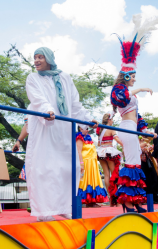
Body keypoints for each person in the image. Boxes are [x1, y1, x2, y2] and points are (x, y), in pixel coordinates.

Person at [25, 47, 98, 222]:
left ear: (49, 58)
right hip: (45, 127)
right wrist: (47, 110)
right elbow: (37, 98)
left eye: (40, 57)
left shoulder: (65, 77)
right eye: (35, 58)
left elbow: (75, 103)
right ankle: (43, 212)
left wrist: (87, 120)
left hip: (64, 129)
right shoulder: (33, 78)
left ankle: (65, 207)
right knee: (43, 168)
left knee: (66, 168)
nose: (36, 61)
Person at [110, 14, 158, 213]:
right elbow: (119, 100)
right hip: (125, 128)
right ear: (126, 76)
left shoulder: (128, 92)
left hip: (132, 127)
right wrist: (137, 90)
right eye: (132, 77)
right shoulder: (119, 90)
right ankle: (129, 203)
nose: (134, 79)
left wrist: (147, 130)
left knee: (134, 162)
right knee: (131, 162)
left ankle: (133, 202)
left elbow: (138, 118)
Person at [96, 112, 123, 207]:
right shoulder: (111, 129)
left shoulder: (100, 130)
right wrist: (125, 145)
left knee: (106, 175)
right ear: (109, 120)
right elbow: (117, 139)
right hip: (109, 151)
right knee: (114, 174)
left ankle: (111, 199)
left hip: (100, 151)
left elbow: (99, 144)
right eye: (112, 119)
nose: (113, 121)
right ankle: (117, 200)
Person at [77, 125, 108, 207]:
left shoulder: (89, 137)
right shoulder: (79, 137)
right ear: (81, 128)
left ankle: (91, 201)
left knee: (92, 180)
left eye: (88, 129)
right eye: (86, 129)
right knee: (84, 181)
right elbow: (78, 151)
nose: (87, 130)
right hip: (85, 162)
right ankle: (84, 201)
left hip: (92, 163)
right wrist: (81, 164)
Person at [140, 136, 158, 204]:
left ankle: (155, 197)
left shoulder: (146, 144)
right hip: (141, 163)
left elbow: (150, 151)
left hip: (149, 162)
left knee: (154, 179)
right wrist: (149, 147)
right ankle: (145, 198)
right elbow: (142, 150)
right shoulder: (138, 143)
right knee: (145, 181)